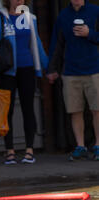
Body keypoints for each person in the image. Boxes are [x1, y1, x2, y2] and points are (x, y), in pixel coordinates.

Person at [0, 0, 48, 165]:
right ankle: (10, 151)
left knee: (28, 109)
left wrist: (47, 66)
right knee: (7, 112)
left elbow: (37, 44)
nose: (18, 0)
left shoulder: (29, 18)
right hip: (7, 72)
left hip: (27, 68)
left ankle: (29, 150)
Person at [46, 0, 99, 161]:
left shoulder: (95, 11)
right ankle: (80, 146)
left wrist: (89, 33)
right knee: (74, 110)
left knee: (97, 110)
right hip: (70, 71)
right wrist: (52, 69)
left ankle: (98, 146)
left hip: (94, 69)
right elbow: (57, 43)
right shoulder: (63, 15)